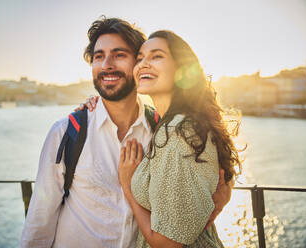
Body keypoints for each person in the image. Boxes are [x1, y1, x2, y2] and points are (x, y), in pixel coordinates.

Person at [20, 17, 233, 248]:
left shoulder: (162, 128)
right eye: (98, 57)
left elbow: (209, 167)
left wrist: (221, 197)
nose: (107, 64)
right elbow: (39, 221)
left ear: (136, 65)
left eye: (119, 55)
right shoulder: (66, 132)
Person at [117, 31, 242, 247]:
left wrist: (127, 185)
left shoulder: (178, 131)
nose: (143, 64)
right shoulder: (180, 122)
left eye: (156, 56)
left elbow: (167, 244)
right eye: (140, 58)